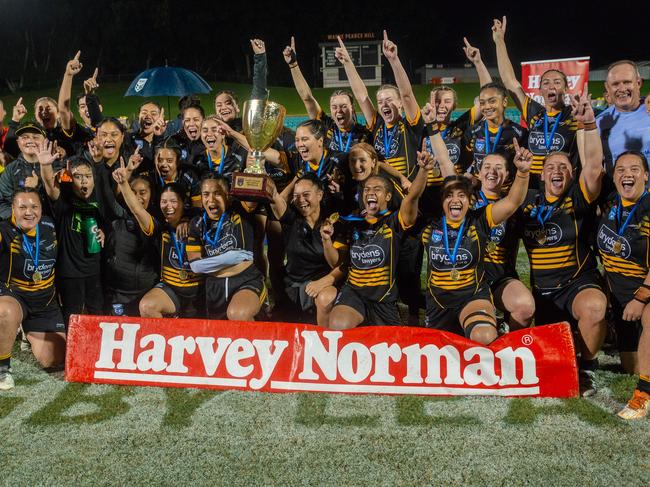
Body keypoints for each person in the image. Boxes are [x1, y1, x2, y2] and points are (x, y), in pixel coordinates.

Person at [518, 93, 607, 396]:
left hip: (577, 284)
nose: (557, 170)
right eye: (551, 167)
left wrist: (589, 124)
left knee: (594, 309)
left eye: (564, 167)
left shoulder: (578, 198)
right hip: (542, 293)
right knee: (546, 365)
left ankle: (588, 367)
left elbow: (594, 167)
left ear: (571, 174)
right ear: (541, 175)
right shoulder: (527, 202)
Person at [428, 117, 535, 331]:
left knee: (524, 307)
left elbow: (515, 199)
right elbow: (445, 162)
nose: (492, 172)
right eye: (487, 166)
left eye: (499, 168)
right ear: (479, 170)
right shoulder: (464, 196)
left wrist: (523, 171)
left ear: (508, 175)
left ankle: (507, 341)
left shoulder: (513, 202)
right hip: (464, 278)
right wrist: (432, 129)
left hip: (496, 276)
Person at [328, 150, 431, 329]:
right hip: (354, 293)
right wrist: (326, 240)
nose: (370, 193)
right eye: (367, 190)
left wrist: (423, 170)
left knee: (391, 348)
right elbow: (336, 262)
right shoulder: (351, 220)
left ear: (388, 197)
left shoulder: (394, 222)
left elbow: (412, 197)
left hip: (383, 300)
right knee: (338, 324)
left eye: (377, 189)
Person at [38, 148, 121, 324]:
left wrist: (103, 231)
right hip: (69, 272)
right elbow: (49, 185)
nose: (84, 180)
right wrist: (45, 165)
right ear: (71, 179)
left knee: (97, 312)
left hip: (95, 270)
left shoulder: (97, 201)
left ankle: (95, 349)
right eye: (78, 176)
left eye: (88, 176)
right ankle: (72, 350)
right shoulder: (63, 201)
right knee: (72, 315)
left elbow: (107, 222)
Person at [112, 162, 204, 319]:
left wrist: (189, 219)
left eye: (173, 201)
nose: (168, 206)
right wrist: (123, 184)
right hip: (171, 291)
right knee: (147, 307)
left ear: (184, 203)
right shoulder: (160, 227)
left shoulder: (199, 223)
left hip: (200, 291)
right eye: (164, 201)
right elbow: (137, 210)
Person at [492, 16, 578, 180]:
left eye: (557, 82)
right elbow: (509, 81)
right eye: (546, 82)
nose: (551, 86)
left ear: (566, 88)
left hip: (561, 183)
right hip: (532, 185)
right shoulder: (534, 113)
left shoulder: (575, 115)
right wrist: (499, 41)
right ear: (540, 90)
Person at [0, 188, 66, 390]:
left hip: (44, 301)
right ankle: (3, 369)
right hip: (15, 295)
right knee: (5, 312)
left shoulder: (48, 225)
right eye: (22, 207)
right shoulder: (4, 230)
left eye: (34, 206)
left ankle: (25, 331)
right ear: (12, 209)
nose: (29, 212)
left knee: (55, 359)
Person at [596, 151, 650, 376]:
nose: (627, 174)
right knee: (632, 368)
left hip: (644, 294)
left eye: (634, 169)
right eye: (621, 170)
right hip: (620, 299)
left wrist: (640, 299)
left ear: (646, 176)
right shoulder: (609, 202)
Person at [268, 173, 347, 326]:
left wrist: (326, 240)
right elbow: (274, 198)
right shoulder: (290, 218)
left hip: (323, 285)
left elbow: (339, 264)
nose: (300, 200)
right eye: (296, 196)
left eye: (306, 195)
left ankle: (324, 344)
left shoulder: (334, 221)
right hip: (293, 288)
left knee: (327, 298)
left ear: (319, 195)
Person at [186, 175, 266, 321]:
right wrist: (233, 257)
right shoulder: (197, 223)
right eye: (206, 194)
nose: (211, 199)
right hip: (214, 287)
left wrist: (255, 164)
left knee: (238, 314)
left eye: (217, 193)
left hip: (245, 280)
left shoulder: (239, 209)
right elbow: (196, 266)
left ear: (227, 195)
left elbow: (256, 188)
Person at [283, 36, 370, 153]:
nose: (338, 110)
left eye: (344, 106)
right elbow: (307, 98)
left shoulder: (364, 133)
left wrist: (348, 62)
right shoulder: (327, 127)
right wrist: (293, 65)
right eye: (334, 107)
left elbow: (362, 96)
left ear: (352, 108)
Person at [104, 172, 159, 316]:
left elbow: (138, 211)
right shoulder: (114, 219)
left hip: (145, 296)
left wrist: (124, 184)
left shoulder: (155, 221)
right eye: (133, 192)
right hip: (118, 296)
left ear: (151, 195)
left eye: (143, 192)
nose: (137, 197)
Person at [461, 82, 527, 176]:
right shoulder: (472, 132)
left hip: (507, 189)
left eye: (492, 101)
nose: (487, 107)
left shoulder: (520, 133)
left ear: (504, 102)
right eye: (482, 103)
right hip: (479, 188)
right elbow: (465, 163)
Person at [596, 60, 650, 173]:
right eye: (615, 84)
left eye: (627, 82)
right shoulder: (599, 123)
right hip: (620, 189)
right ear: (607, 87)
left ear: (638, 83)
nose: (622, 88)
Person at [0, 122, 48, 220]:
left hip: (50, 226)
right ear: (18, 142)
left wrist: (38, 187)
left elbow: (60, 203)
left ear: (45, 141)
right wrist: (19, 220)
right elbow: (2, 202)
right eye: (25, 137)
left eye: (35, 137)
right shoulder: (10, 170)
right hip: (18, 227)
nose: (30, 140)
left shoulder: (55, 166)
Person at [194, 115, 247, 181]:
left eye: (214, 130)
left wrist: (232, 133)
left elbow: (255, 148)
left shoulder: (238, 156)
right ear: (201, 135)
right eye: (205, 131)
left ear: (223, 134)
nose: (209, 134)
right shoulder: (197, 161)